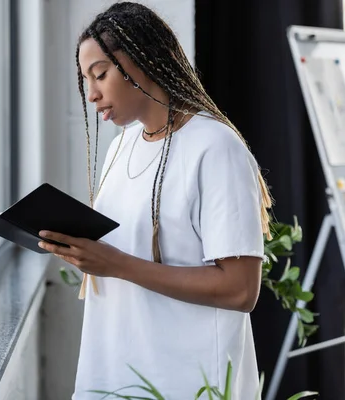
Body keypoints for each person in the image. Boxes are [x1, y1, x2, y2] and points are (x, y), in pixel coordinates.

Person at [36, 2, 273, 399]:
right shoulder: (123, 146)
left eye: (100, 75)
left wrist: (116, 264)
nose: (91, 94)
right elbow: (121, 252)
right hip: (114, 370)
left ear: (140, 62)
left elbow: (240, 290)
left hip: (187, 382)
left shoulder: (215, 148)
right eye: (85, 81)